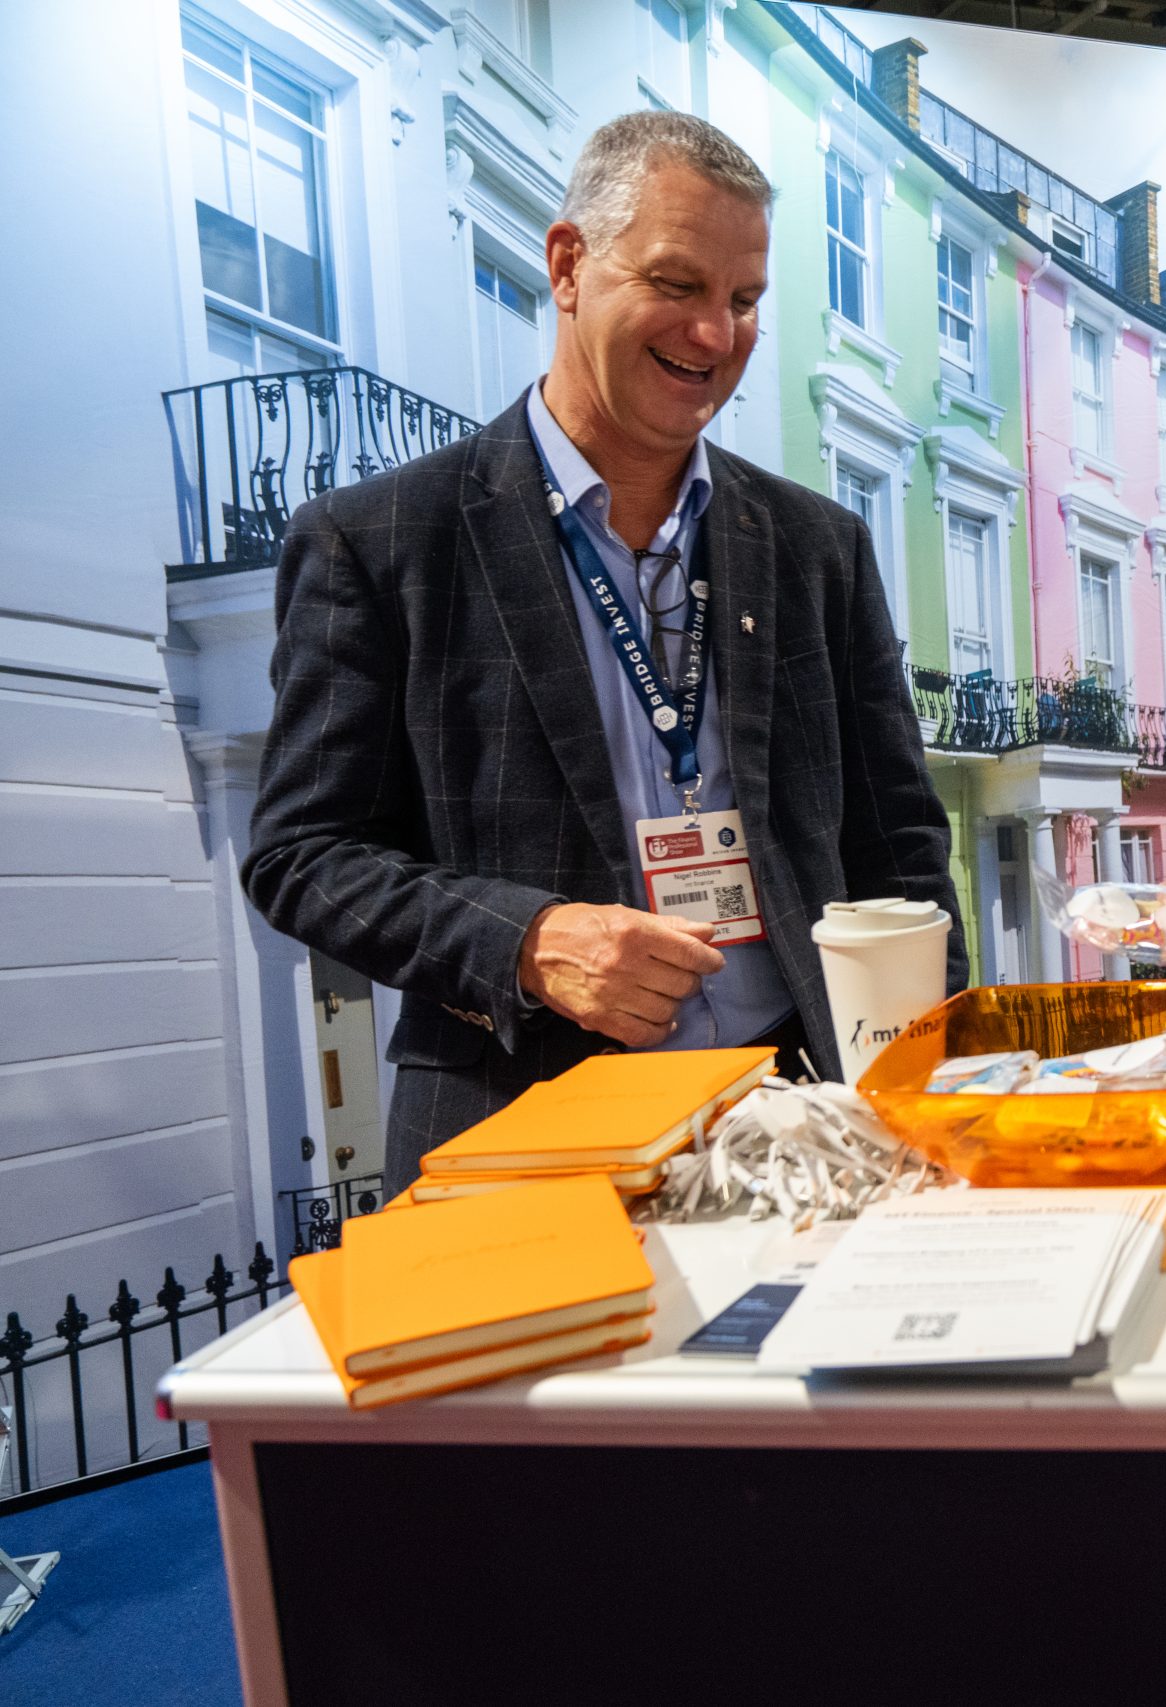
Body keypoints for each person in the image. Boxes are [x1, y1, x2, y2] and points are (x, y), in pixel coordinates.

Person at [245, 112, 964, 1193]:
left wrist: (939, 1079)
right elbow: (302, 856)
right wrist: (528, 941)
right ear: (568, 265)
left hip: (811, 1122)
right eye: (677, 283)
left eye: (744, 299)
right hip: (522, 1135)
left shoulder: (820, 547)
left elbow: (900, 843)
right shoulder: (381, 541)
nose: (715, 333)